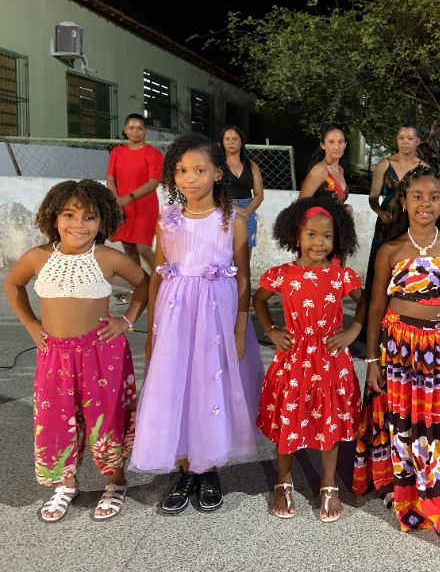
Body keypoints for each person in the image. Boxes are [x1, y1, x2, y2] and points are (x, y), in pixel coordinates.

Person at [129, 133, 263, 515]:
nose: (190, 179)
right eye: (182, 171)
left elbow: (243, 279)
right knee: (179, 386)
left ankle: (209, 469)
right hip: (175, 318)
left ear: (218, 173)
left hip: (216, 319)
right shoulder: (167, 220)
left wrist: (240, 329)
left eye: (200, 170)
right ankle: (186, 469)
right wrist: (152, 331)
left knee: (210, 385)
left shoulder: (232, 221)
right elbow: (157, 276)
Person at [4, 179, 147, 522]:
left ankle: (115, 481)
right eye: (69, 215)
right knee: (55, 418)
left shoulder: (108, 257)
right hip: (54, 355)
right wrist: (31, 324)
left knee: (107, 418)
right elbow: (13, 283)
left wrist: (127, 320)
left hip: (102, 354)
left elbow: (146, 283)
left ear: (103, 221)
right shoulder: (38, 257)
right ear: (54, 217)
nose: (78, 224)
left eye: (89, 217)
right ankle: (66, 484)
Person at [365, 166, 440, 569]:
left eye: (434, 197)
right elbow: (375, 307)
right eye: (417, 196)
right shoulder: (390, 250)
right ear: (403, 201)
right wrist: (372, 360)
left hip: (437, 352)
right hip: (397, 349)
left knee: (438, 431)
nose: (425, 204)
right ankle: (409, 494)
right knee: (403, 424)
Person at [254, 197, 363, 522]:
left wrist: (353, 331)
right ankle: (283, 479)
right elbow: (259, 300)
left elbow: (366, 302)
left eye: (327, 236)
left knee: (329, 418)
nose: (319, 242)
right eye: (311, 234)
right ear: (296, 236)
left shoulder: (342, 276)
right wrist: (272, 330)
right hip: (293, 357)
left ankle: (328, 483)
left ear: (337, 239)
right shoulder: (282, 274)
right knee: (289, 415)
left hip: (329, 357)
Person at [361, 123, 430, 340]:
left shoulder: (424, 167)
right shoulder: (385, 164)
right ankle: (372, 326)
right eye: (401, 138)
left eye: (409, 138)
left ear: (418, 141)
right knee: (379, 271)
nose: (405, 142)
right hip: (388, 223)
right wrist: (379, 212)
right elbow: (373, 195)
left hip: (411, 224)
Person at [106, 113, 163, 271]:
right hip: (122, 207)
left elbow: (153, 182)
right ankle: (140, 283)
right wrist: (117, 202)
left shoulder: (153, 154)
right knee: (128, 246)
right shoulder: (117, 151)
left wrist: (128, 198)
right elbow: (110, 179)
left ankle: (162, 280)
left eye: (139, 128)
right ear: (125, 130)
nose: (135, 131)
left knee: (142, 247)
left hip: (145, 207)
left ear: (145, 131)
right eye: (131, 128)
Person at [221, 125, 264, 253]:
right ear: (222, 142)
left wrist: (246, 212)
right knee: (224, 254)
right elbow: (212, 193)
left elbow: (259, 195)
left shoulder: (252, 165)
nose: (231, 142)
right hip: (224, 209)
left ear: (241, 142)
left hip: (248, 210)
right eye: (227, 139)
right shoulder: (216, 165)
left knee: (245, 254)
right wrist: (236, 209)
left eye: (235, 139)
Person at [299, 124, 350, 211]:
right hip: (318, 219)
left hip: (335, 218)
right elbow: (300, 205)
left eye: (340, 142)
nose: (337, 147)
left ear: (345, 145)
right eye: (331, 142)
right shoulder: (320, 170)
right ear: (323, 145)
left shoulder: (340, 169)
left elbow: (336, 204)